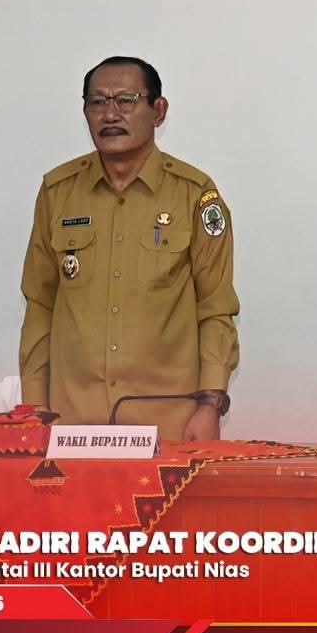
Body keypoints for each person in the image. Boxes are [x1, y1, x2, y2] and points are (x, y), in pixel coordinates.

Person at [19, 56, 240, 441]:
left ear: (158, 110)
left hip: (170, 423)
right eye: (97, 102)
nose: (110, 115)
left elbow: (215, 308)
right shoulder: (58, 192)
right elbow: (40, 304)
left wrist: (209, 405)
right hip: (73, 422)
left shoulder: (194, 194)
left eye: (126, 100)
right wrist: (35, 406)